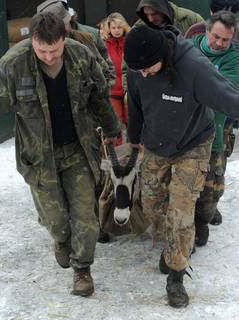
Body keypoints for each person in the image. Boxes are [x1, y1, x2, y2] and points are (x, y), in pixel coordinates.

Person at [0, 12, 120, 297]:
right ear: (32, 42)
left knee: (86, 217)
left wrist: (112, 128)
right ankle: (61, 240)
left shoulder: (81, 56)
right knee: (56, 220)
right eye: (41, 51)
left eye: (54, 50)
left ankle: (82, 269)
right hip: (38, 157)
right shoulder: (12, 64)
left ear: (65, 38)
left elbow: (99, 96)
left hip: (78, 150)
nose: (49, 57)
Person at [123, 25, 239, 308]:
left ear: (162, 55)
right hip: (154, 143)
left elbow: (230, 98)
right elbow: (136, 103)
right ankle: (172, 243)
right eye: (138, 71)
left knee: (181, 209)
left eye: (149, 69)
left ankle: (176, 275)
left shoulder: (194, 67)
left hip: (193, 142)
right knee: (151, 203)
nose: (144, 74)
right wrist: (135, 139)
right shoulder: (139, 67)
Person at [190, 11, 239, 246]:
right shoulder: (186, 48)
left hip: (215, 135)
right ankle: (188, 224)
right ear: (206, 30)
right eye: (216, 37)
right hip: (184, 137)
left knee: (212, 190)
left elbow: (224, 95)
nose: (220, 44)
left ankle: (202, 220)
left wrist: (194, 84)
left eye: (226, 40)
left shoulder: (234, 59)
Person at [37, 0, 115, 86]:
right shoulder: (36, 48)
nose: (61, 30)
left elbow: (107, 71)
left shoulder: (85, 39)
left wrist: (104, 92)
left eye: (63, 24)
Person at [105, 12, 131, 145]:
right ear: (109, 28)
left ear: (124, 27)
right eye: (113, 27)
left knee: (131, 121)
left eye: (119, 27)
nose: (116, 30)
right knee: (116, 123)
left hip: (129, 90)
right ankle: (117, 154)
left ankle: (136, 153)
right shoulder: (104, 45)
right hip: (113, 90)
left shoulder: (130, 42)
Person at [135, 0, 204, 35]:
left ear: (163, 9)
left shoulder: (191, 19)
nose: (150, 19)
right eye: (146, 14)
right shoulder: (138, 28)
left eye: (154, 14)